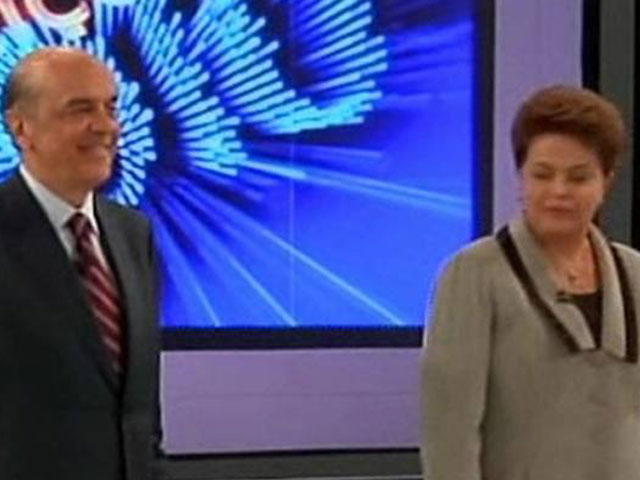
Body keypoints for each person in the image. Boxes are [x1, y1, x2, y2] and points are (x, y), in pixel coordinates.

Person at [420, 85, 640, 480]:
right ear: (521, 177)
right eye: (542, 174)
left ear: (605, 182)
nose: (559, 191)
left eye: (578, 177)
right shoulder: (473, 274)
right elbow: (449, 435)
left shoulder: (635, 273)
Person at [0, 47, 164, 479]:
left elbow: (141, 415)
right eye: (81, 109)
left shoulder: (134, 235)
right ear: (21, 127)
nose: (106, 126)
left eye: (111, 108)